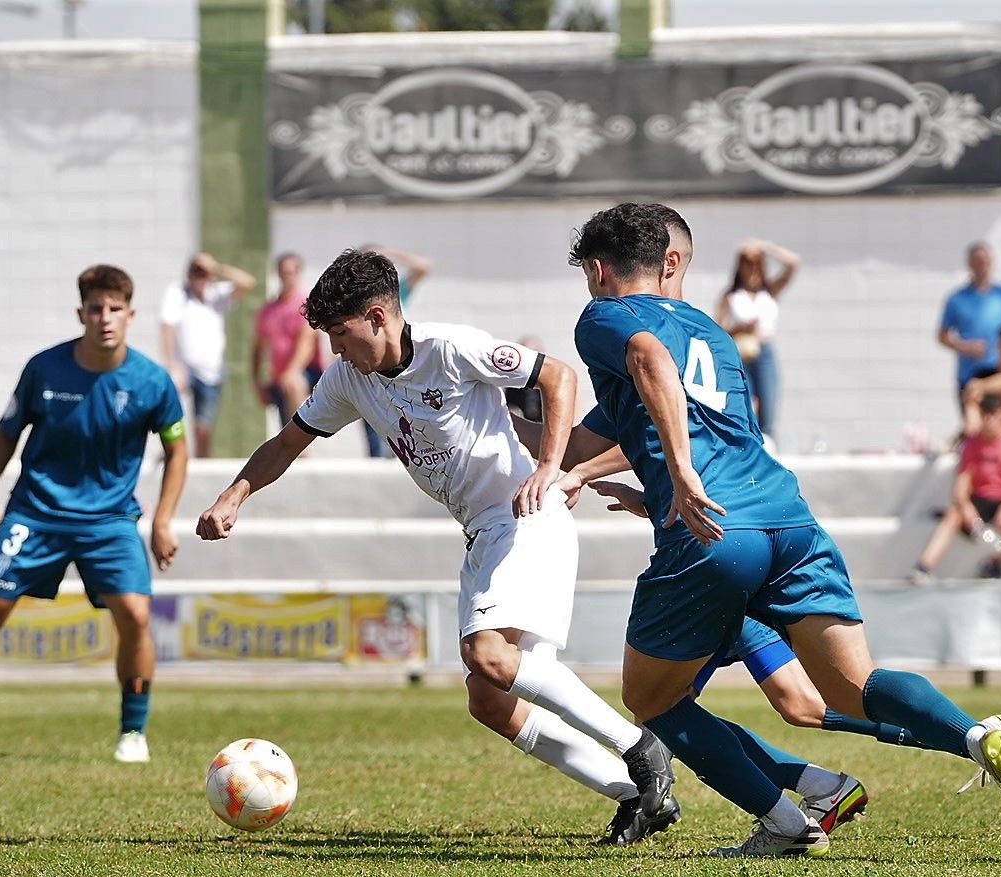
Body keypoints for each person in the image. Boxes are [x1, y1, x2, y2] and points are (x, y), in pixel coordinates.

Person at [567, 203, 1001, 856]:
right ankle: (975, 736)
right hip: (786, 518)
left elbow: (646, 360)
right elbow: (614, 439)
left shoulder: (606, 318)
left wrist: (683, 478)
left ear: (600, 271)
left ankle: (786, 821)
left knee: (653, 700)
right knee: (852, 688)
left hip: (714, 536)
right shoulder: (713, 333)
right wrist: (651, 486)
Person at [194, 249, 682, 846]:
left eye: (342, 335)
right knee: (490, 700)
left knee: (488, 656)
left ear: (377, 316)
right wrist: (234, 495)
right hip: (483, 534)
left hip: (525, 517)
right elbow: (288, 441)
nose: (335, 351)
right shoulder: (350, 378)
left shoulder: (449, 348)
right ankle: (636, 795)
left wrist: (551, 468)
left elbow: (558, 376)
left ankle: (642, 749)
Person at [517, 204, 873, 840]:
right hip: (741, 537)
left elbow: (669, 427)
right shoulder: (700, 337)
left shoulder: (657, 335)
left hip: (718, 545)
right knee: (791, 703)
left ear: (669, 263)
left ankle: (799, 811)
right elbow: (596, 440)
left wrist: (620, 475)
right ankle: (828, 783)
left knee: (669, 707)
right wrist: (502, 419)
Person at [0, 265, 189, 763]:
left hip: (110, 521)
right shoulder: (44, 369)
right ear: (81, 313)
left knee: (136, 616)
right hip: (35, 513)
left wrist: (163, 519)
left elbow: (178, 451)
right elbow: (5, 436)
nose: (105, 318)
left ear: (131, 315)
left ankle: (133, 732)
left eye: (115, 309)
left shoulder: (152, 381)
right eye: (95, 308)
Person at [911, 395, 1001, 581]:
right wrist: (967, 509)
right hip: (979, 500)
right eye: (984, 415)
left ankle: (997, 562)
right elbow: (961, 484)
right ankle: (924, 567)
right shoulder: (973, 444)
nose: (988, 421)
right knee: (953, 515)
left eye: (993, 415)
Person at [159, 251, 256, 457]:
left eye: (203, 272)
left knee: (203, 428)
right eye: (196, 271)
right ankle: (170, 452)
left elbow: (248, 282)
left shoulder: (217, 295)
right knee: (167, 403)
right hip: (185, 368)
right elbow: (167, 326)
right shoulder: (178, 292)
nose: (199, 277)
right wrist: (170, 362)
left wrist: (217, 267)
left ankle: (201, 463)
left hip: (212, 371)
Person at [715, 238, 800, 445]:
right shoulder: (732, 294)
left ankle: (768, 446)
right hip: (740, 351)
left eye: (755, 262)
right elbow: (718, 327)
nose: (751, 267)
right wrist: (740, 327)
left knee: (768, 405)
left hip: (764, 350)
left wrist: (765, 247)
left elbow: (793, 264)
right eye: (746, 262)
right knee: (746, 406)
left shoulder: (769, 291)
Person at [357, 245, 433, 458]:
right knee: (372, 416)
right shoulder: (357, 297)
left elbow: (424, 266)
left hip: (398, 362)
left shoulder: (394, 293)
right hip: (370, 364)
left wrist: (389, 253)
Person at [937, 241, 1001, 413]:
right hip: (970, 373)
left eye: (986, 261)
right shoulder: (957, 298)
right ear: (969, 264)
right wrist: (964, 346)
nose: (982, 265)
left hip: (1000, 372)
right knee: (974, 426)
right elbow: (942, 335)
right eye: (977, 260)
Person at [252, 253, 324, 429]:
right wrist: (258, 383)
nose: (286, 276)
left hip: (308, 373)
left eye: (290, 272)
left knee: (293, 384)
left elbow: (306, 341)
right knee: (285, 428)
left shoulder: (306, 304)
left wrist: (292, 372)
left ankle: (303, 450)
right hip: (279, 376)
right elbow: (257, 348)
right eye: (283, 272)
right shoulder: (268, 309)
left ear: (298, 273)